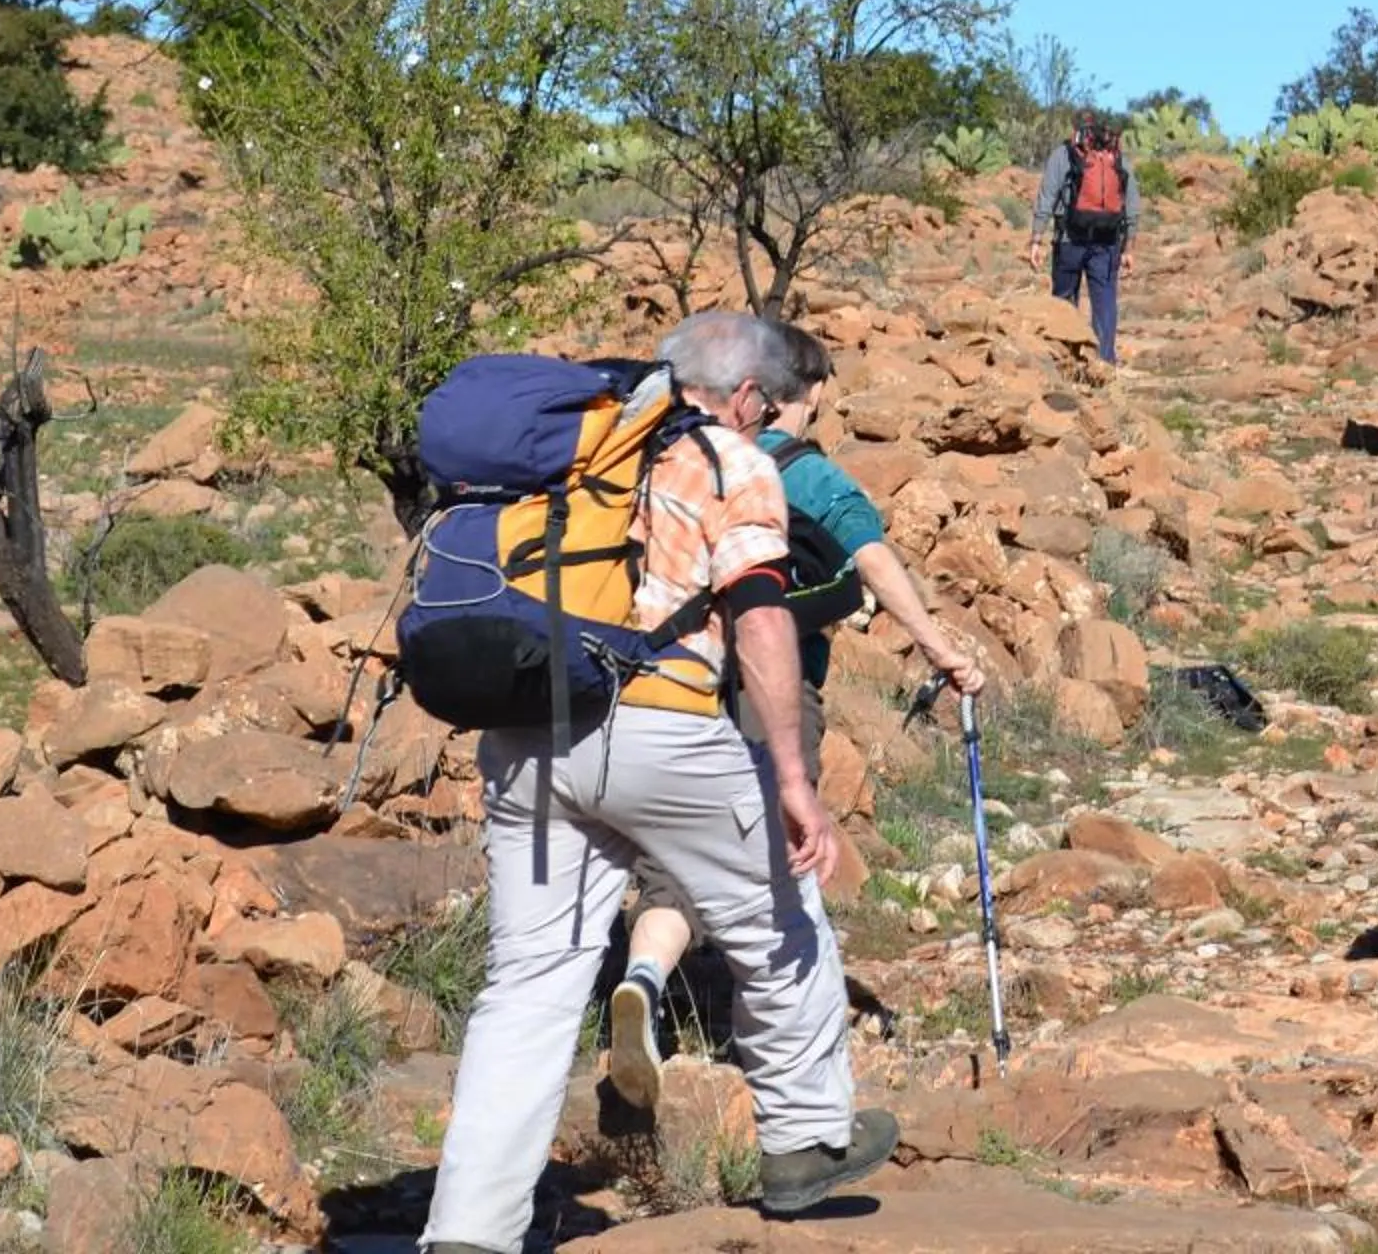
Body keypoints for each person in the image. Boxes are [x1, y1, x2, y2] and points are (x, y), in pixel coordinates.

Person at [419, 313, 895, 1253]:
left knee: (529, 985)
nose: (767, 415)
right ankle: (805, 1141)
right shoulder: (728, 459)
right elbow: (760, 617)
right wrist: (792, 776)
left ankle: (468, 1230)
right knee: (780, 919)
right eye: (768, 403)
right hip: (663, 729)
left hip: (528, 733)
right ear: (748, 395)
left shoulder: (576, 447)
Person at [604, 320, 987, 1105]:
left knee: (672, 868)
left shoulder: (669, 456)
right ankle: (779, 1067)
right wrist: (938, 647)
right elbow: (871, 559)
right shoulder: (804, 473)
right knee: (782, 860)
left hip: (673, 686)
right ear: (797, 393)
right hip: (771, 690)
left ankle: (642, 978)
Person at [1027, 111, 1139, 364]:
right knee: (1105, 302)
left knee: (1065, 300)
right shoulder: (1116, 157)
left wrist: (1036, 240)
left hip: (1069, 239)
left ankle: (1066, 359)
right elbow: (1132, 205)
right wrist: (1129, 249)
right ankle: (1104, 362)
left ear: (1075, 129)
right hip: (1107, 240)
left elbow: (1047, 196)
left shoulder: (1064, 154)